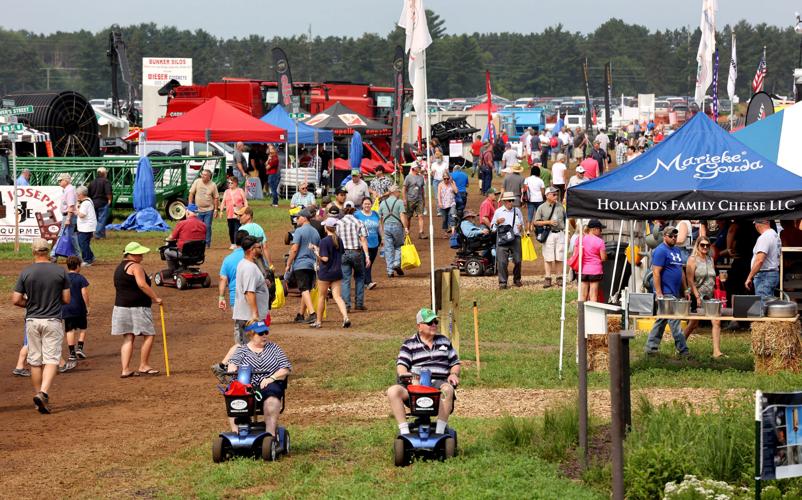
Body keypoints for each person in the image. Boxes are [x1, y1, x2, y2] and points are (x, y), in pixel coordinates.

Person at [12, 238, 71, 413]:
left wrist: (29, 305)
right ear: (49, 251)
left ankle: (38, 395)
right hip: (52, 319)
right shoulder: (60, 271)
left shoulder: (26, 272)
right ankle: (44, 393)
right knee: (52, 359)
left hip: (32, 320)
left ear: (33, 252)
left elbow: (16, 299)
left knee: (35, 361)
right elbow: (66, 299)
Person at [387, 308, 460, 436]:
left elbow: (455, 364)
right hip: (416, 386)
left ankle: (440, 432)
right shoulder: (409, 344)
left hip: (438, 385)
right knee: (393, 391)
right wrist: (407, 375)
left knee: (448, 389)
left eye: (435, 322)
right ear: (419, 326)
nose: (433, 325)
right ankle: (404, 432)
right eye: (430, 322)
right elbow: (401, 368)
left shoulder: (444, 341)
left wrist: (453, 374)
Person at [226, 321, 292, 436]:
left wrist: (271, 378)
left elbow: (285, 368)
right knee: (234, 396)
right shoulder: (241, 350)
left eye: (266, 332)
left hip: (269, 385)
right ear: (251, 335)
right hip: (247, 387)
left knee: (272, 400)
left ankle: (270, 435)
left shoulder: (274, 348)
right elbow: (232, 365)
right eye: (261, 333)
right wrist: (233, 371)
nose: (265, 335)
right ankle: (237, 433)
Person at [112, 242, 163, 378]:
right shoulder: (136, 267)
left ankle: (125, 369)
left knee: (128, 337)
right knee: (149, 334)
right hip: (137, 307)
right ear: (132, 255)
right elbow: (142, 284)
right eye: (140, 254)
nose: (142, 256)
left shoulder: (119, 268)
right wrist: (155, 298)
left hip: (120, 307)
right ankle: (144, 365)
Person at [644, 226, 690, 357]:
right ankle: (683, 350)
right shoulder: (660, 251)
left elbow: (681, 272)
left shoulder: (676, 250)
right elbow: (656, 273)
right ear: (664, 236)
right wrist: (659, 294)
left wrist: (685, 289)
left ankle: (650, 348)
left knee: (662, 320)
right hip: (665, 293)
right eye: (671, 236)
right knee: (674, 321)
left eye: (675, 236)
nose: (674, 238)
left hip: (675, 292)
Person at [684, 237, 724, 358]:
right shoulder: (692, 260)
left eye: (707, 245)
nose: (705, 247)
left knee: (716, 321)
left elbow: (712, 277)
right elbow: (690, 280)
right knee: (693, 324)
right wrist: (697, 296)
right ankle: (680, 345)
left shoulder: (710, 259)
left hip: (710, 296)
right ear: (697, 245)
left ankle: (716, 351)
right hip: (697, 295)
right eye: (702, 245)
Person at [311, 218, 350, 328]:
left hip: (325, 273)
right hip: (337, 272)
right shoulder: (339, 239)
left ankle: (318, 321)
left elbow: (325, 259)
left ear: (326, 227)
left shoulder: (324, 241)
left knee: (321, 297)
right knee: (337, 297)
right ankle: (345, 317)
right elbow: (339, 253)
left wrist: (316, 252)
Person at [285, 208, 320, 324]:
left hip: (301, 264)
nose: (296, 219)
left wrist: (288, 264)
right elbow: (318, 249)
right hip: (312, 264)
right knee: (306, 290)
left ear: (304, 218)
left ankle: (312, 313)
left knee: (304, 289)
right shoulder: (315, 232)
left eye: (298, 217)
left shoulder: (299, 231)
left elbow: (294, 249)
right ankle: (300, 314)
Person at [233, 235, 272, 334]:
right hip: (249, 318)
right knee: (245, 347)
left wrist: (263, 282)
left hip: (247, 316)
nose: (261, 249)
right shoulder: (249, 268)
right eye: (259, 247)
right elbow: (249, 292)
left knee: (248, 347)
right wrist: (255, 315)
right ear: (251, 250)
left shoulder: (246, 263)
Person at [336, 202, 371, 311]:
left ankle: (346, 305)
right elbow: (363, 240)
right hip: (356, 252)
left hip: (343, 253)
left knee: (345, 280)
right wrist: (367, 256)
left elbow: (335, 240)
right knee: (360, 277)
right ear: (354, 211)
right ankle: (359, 303)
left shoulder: (338, 223)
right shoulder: (359, 222)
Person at [218, 230, 249, 347]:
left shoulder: (228, 259)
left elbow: (223, 279)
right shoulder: (252, 256)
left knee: (238, 326)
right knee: (253, 324)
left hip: (234, 298)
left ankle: (240, 353)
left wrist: (221, 297)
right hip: (252, 295)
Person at [533, 187, 566, 288]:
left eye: (556, 194)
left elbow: (566, 219)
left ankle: (559, 278)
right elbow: (536, 222)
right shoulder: (541, 207)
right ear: (547, 195)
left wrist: (567, 232)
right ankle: (548, 278)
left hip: (560, 233)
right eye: (554, 194)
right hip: (549, 234)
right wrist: (548, 222)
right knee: (548, 257)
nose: (556, 196)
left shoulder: (561, 206)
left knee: (559, 257)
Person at [492, 192, 524, 289]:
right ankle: (503, 282)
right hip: (503, 239)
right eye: (509, 200)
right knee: (502, 262)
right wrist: (497, 222)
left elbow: (523, 225)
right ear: (504, 201)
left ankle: (517, 279)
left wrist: (521, 227)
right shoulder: (498, 212)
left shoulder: (517, 211)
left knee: (518, 260)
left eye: (512, 200)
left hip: (515, 238)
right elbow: (492, 228)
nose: (511, 202)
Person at [62, 256, 90, 362]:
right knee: (83, 328)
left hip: (66, 307)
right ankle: (80, 348)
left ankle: (72, 353)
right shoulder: (81, 278)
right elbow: (84, 293)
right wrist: (88, 305)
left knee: (70, 330)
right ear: (78, 266)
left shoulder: (63, 278)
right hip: (79, 307)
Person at [745, 219, 782, 300]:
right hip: (771, 274)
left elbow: (759, 260)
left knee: (763, 305)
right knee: (768, 304)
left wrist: (749, 277)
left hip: (764, 275)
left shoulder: (765, 237)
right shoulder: (774, 235)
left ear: (757, 225)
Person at [164, 203, 207, 270]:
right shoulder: (203, 225)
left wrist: (167, 239)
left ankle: (172, 270)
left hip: (183, 253)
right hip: (198, 253)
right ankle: (183, 267)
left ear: (187, 212)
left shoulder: (182, 223)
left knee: (166, 251)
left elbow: (171, 237)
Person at [379, 185, 409, 279]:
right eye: (398, 192)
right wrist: (406, 228)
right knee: (399, 246)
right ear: (394, 192)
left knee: (388, 249)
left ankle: (390, 270)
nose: (399, 193)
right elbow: (402, 216)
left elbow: (380, 217)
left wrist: (382, 230)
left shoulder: (383, 203)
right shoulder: (399, 202)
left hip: (386, 226)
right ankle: (396, 263)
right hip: (397, 226)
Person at [51, 173, 79, 262]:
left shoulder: (69, 190)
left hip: (68, 216)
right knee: (71, 237)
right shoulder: (69, 190)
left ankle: (53, 255)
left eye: (60, 180)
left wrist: (68, 219)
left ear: (65, 181)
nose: (59, 182)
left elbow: (71, 206)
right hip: (69, 216)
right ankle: (78, 257)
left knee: (62, 235)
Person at [576, 219, 607, 301]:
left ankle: (581, 313)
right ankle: (592, 314)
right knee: (593, 295)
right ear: (595, 229)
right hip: (595, 270)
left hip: (583, 270)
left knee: (582, 295)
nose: (601, 232)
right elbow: (603, 258)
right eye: (600, 229)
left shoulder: (581, 239)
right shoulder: (600, 242)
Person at [355, 196, 381, 289]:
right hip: (363, 243)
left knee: (370, 263)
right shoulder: (357, 214)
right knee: (366, 263)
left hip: (374, 242)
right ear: (362, 205)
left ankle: (363, 281)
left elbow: (379, 227)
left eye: (369, 204)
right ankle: (368, 282)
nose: (367, 205)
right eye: (365, 204)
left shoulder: (375, 214)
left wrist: (383, 238)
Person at [188, 169, 219, 248]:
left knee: (207, 226)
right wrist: (190, 205)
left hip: (209, 209)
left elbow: (216, 198)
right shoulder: (197, 182)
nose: (203, 176)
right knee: (197, 227)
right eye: (202, 174)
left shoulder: (213, 185)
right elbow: (191, 193)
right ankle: (198, 243)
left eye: (205, 175)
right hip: (198, 209)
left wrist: (216, 210)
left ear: (209, 177)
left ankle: (207, 244)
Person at [219, 176, 248, 250]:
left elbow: (245, 200)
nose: (230, 184)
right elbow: (223, 202)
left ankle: (237, 243)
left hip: (238, 213)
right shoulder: (226, 192)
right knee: (231, 229)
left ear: (236, 183)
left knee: (237, 229)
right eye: (229, 183)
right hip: (229, 214)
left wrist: (246, 210)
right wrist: (221, 211)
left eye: (231, 183)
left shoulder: (240, 190)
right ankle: (232, 243)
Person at [402, 164, 427, 239]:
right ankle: (407, 233)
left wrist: (423, 199)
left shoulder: (421, 177)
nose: (419, 168)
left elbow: (422, 190)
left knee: (420, 216)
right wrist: (404, 199)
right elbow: (404, 189)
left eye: (419, 167)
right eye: (418, 167)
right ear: (413, 168)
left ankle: (421, 232)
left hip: (419, 200)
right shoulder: (408, 177)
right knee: (408, 217)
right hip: (410, 200)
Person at [75, 186, 97, 266]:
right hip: (88, 226)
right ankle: (91, 257)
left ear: (81, 194)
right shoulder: (88, 201)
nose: (77, 196)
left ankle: (87, 260)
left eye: (77, 194)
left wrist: (76, 211)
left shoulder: (85, 203)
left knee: (83, 244)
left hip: (86, 227)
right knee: (85, 243)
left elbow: (82, 215)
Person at [88, 167, 112, 239]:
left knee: (94, 220)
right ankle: (98, 234)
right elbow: (108, 192)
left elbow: (88, 193)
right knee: (102, 220)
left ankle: (101, 235)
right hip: (103, 202)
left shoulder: (92, 182)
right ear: (104, 173)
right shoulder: (106, 181)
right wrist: (109, 200)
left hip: (93, 203)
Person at [437, 172, 458, 236]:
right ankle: (445, 232)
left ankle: (453, 232)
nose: (446, 180)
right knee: (444, 219)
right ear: (443, 178)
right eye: (445, 179)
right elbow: (439, 194)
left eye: (447, 178)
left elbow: (456, 191)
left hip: (452, 203)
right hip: (443, 204)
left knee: (452, 216)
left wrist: (452, 183)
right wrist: (439, 202)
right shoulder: (440, 184)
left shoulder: (452, 183)